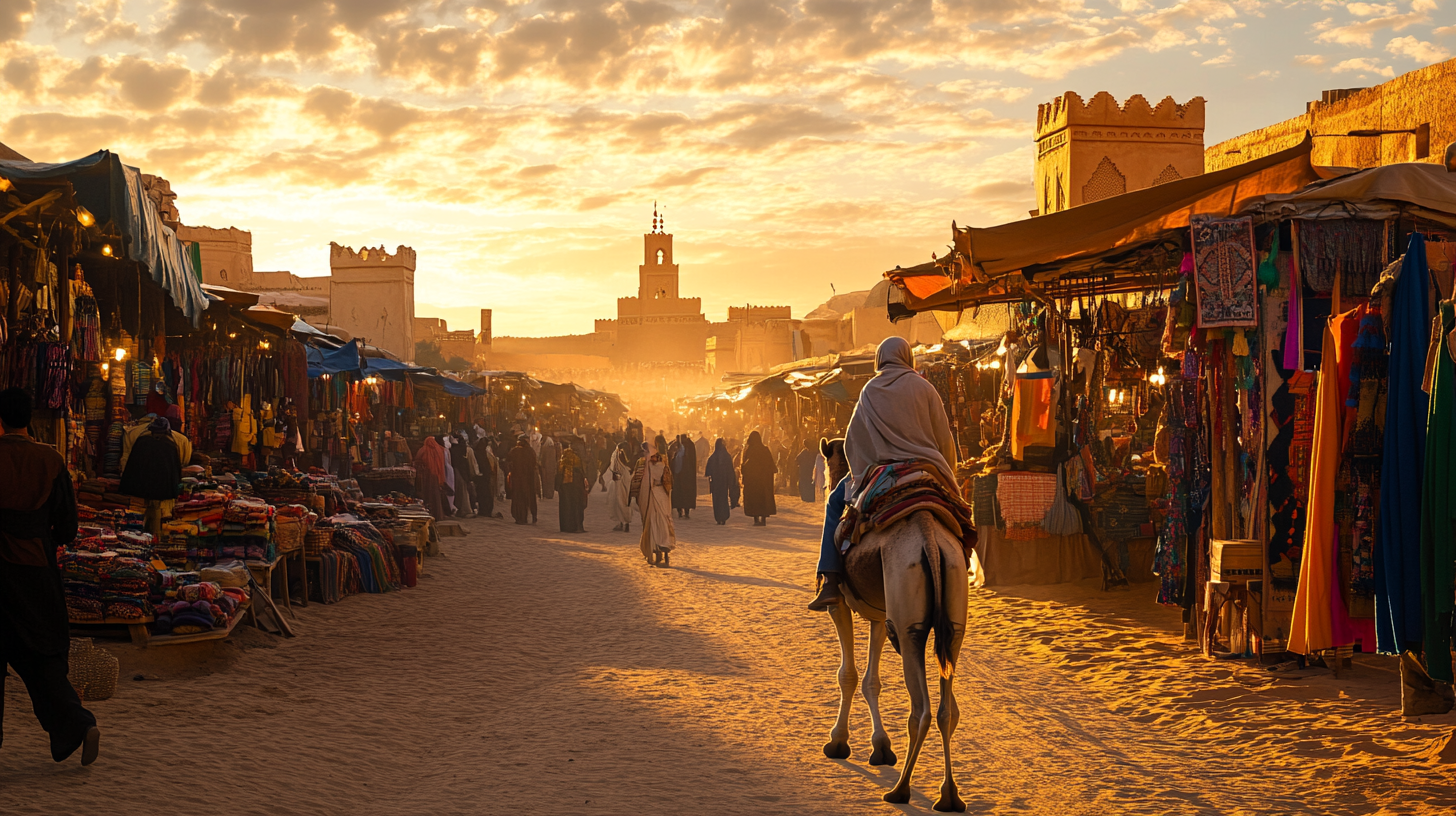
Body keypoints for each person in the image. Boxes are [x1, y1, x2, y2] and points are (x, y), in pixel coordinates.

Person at [808, 336, 958, 611]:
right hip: (926, 469)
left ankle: (830, 580)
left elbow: (853, 442)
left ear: (880, 359)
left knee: (833, 504)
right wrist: (949, 476)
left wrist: (862, 472)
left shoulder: (869, 391)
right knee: (960, 515)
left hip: (880, 473)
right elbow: (945, 439)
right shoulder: (925, 388)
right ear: (907, 357)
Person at [0, 388, 100, 767]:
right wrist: (39, 537)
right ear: (31, 419)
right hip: (36, 574)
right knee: (42, 659)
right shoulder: (51, 460)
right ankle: (76, 723)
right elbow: (68, 527)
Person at [120, 417, 184, 540]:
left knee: (138, 516)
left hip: (140, 487)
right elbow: (175, 470)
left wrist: (126, 484)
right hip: (160, 489)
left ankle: (137, 538)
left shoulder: (142, 442)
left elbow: (132, 465)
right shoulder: (170, 445)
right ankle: (153, 540)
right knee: (155, 513)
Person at [632, 442, 676, 566]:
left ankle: (660, 553)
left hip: (656, 497)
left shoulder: (650, 463)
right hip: (655, 496)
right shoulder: (652, 463)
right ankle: (661, 553)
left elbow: (668, 481)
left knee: (658, 524)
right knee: (658, 524)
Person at [740, 430, 778, 526]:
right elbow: (771, 466)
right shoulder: (765, 450)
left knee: (754, 499)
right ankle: (763, 519)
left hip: (753, 481)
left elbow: (745, 465)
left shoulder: (749, 450)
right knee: (763, 499)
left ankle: (756, 519)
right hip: (763, 481)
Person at [704, 438, 740, 525]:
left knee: (716, 500)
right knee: (723, 499)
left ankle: (718, 518)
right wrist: (731, 482)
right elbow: (730, 471)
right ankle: (723, 517)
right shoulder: (727, 456)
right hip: (724, 482)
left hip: (715, 483)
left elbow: (708, 471)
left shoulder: (713, 457)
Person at [556, 440, 589, 533]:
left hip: (565, 487)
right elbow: (582, 472)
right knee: (577, 505)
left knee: (566, 506)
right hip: (576, 486)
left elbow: (559, 474)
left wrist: (558, 487)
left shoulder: (563, 459)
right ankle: (578, 526)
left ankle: (566, 527)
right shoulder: (577, 458)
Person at [413, 436, 448, 520]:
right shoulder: (439, 450)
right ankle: (437, 514)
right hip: (436, 476)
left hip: (426, 476)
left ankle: (428, 513)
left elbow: (418, 460)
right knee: (436, 495)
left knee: (427, 494)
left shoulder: (423, 450)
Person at [506, 436, 539, 525]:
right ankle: (532, 515)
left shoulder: (514, 451)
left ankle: (520, 517)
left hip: (517, 479)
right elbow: (534, 464)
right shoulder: (530, 451)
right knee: (529, 497)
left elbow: (508, 463)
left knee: (518, 497)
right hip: (528, 479)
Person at [671, 433, 698, 519]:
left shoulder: (688, 446)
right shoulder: (678, 447)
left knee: (684, 494)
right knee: (680, 494)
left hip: (685, 476)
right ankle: (681, 512)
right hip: (680, 476)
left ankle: (685, 512)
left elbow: (692, 461)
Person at [608, 442, 633, 532]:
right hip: (622, 480)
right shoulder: (622, 456)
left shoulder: (620, 455)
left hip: (620, 481)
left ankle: (624, 523)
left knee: (621, 501)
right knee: (623, 501)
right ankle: (623, 523)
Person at [472, 429, 496, 519]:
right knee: (484, 495)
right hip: (483, 479)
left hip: (484, 479)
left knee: (485, 495)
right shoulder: (480, 454)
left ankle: (485, 511)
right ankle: (484, 511)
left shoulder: (481, 453)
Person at [796, 438, 818, 503]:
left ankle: (807, 497)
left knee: (806, 483)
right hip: (807, 471)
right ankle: (809, 497)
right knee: (808, 483)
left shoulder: (805, 452)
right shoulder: (812, 452)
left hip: (806, 471)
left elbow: (797, 459)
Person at [538, 434, 558, 501]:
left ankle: (546, 494)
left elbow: (542, 458)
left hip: (545, 467)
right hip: (550, 467)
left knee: (545, 480)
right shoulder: (553, 448)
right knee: (550, 481)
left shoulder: (544, 448)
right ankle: (549, 494)